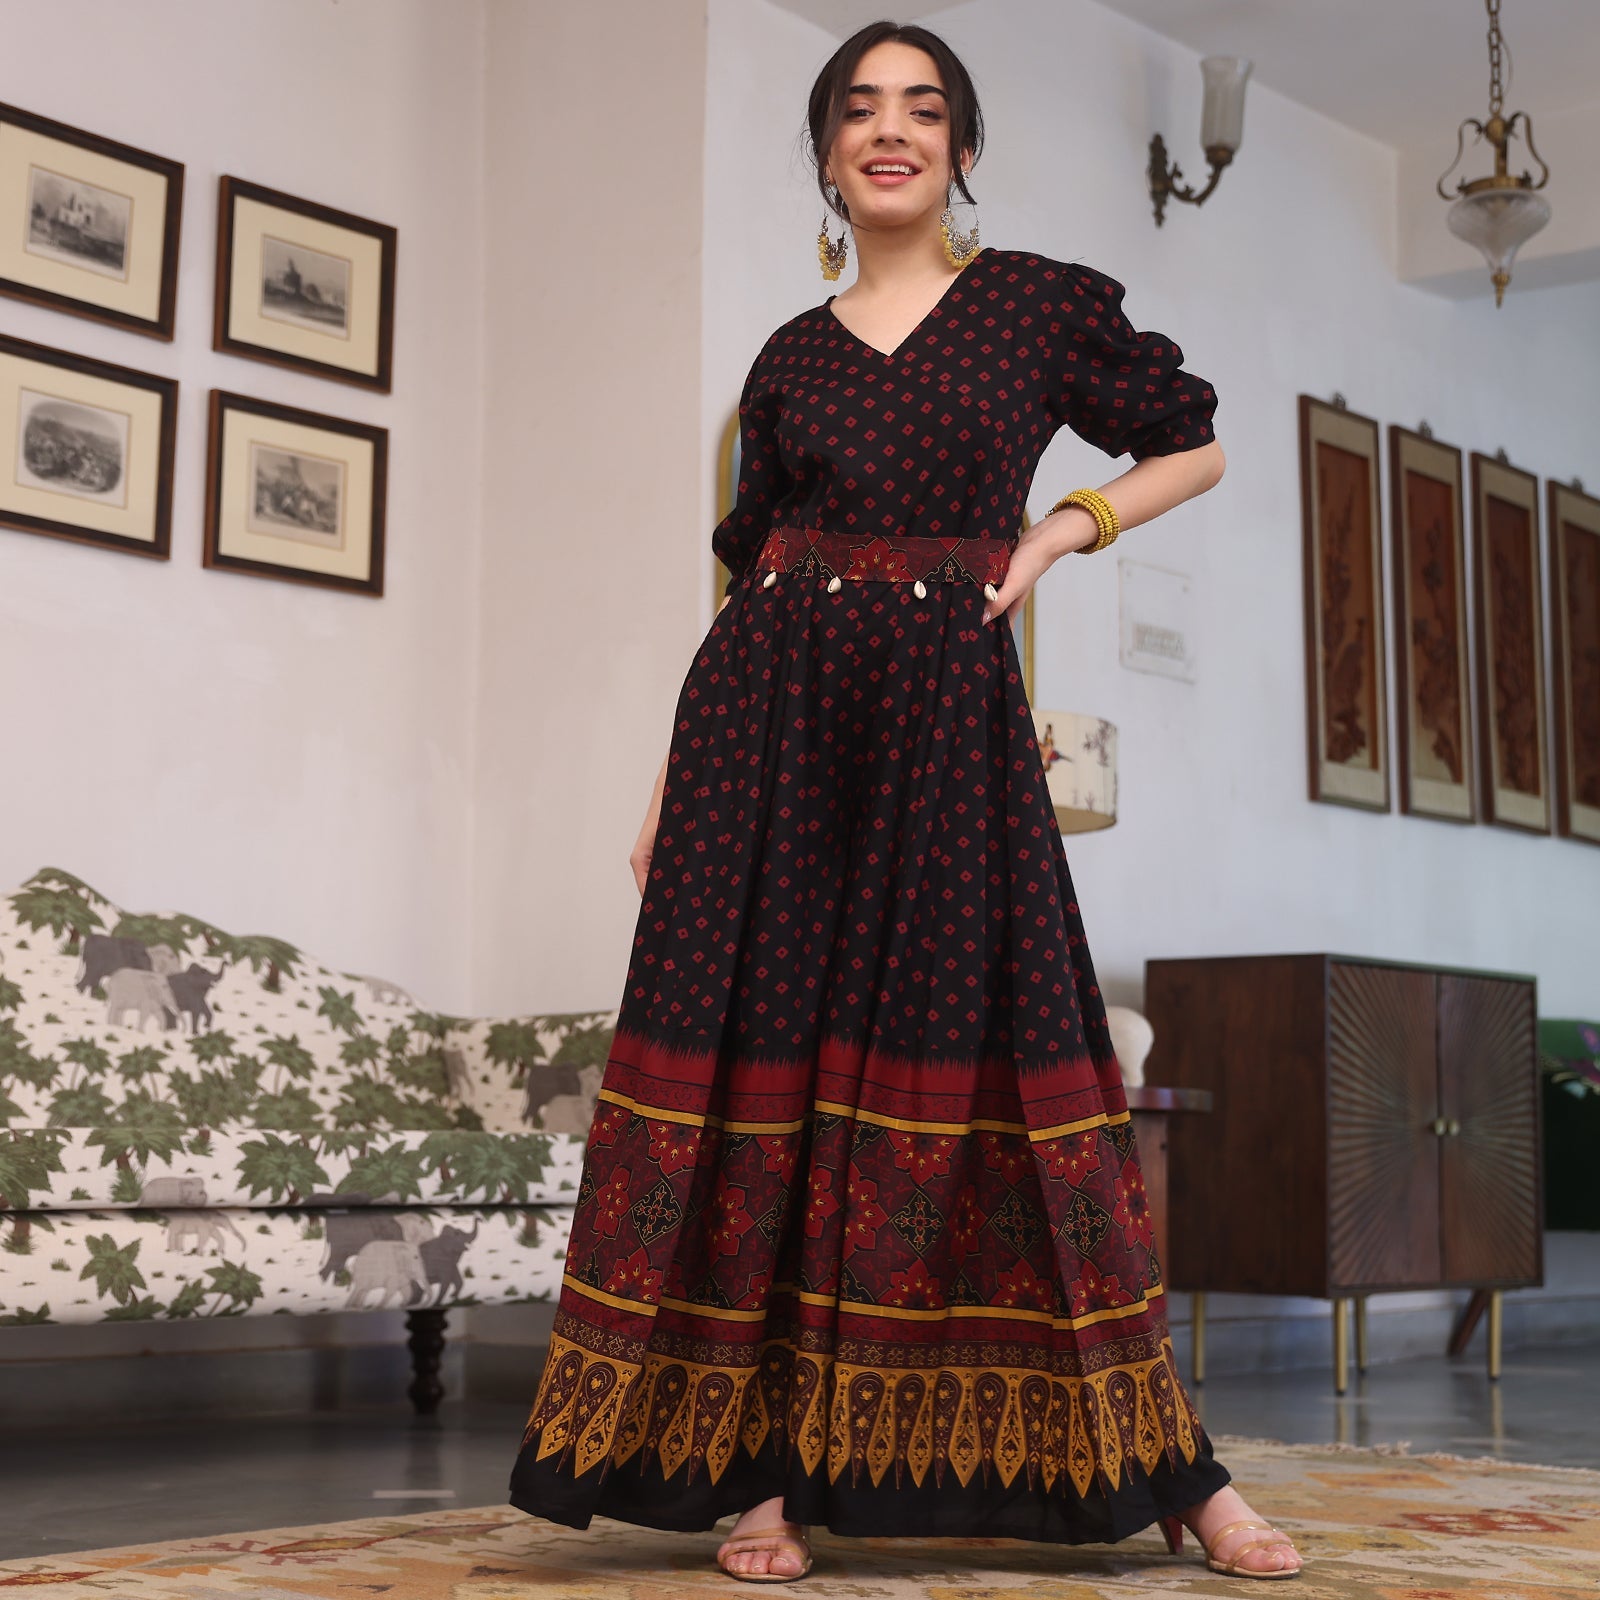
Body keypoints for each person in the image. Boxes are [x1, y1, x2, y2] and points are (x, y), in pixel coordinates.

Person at [509, 18, 1303, 1586]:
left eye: (923, 109)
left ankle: (1175, 1471)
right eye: (860, 108)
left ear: (961, 147)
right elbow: (747, 577)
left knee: (1020, 1070)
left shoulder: (1037, 307)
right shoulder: (788, 359)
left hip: (944, 724)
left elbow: (1194, 445)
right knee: (769, 1087)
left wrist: (1060, 531)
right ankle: (762, 1477)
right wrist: (673, 780)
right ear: (825, 151)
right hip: (765, 732)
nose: (891, 131)